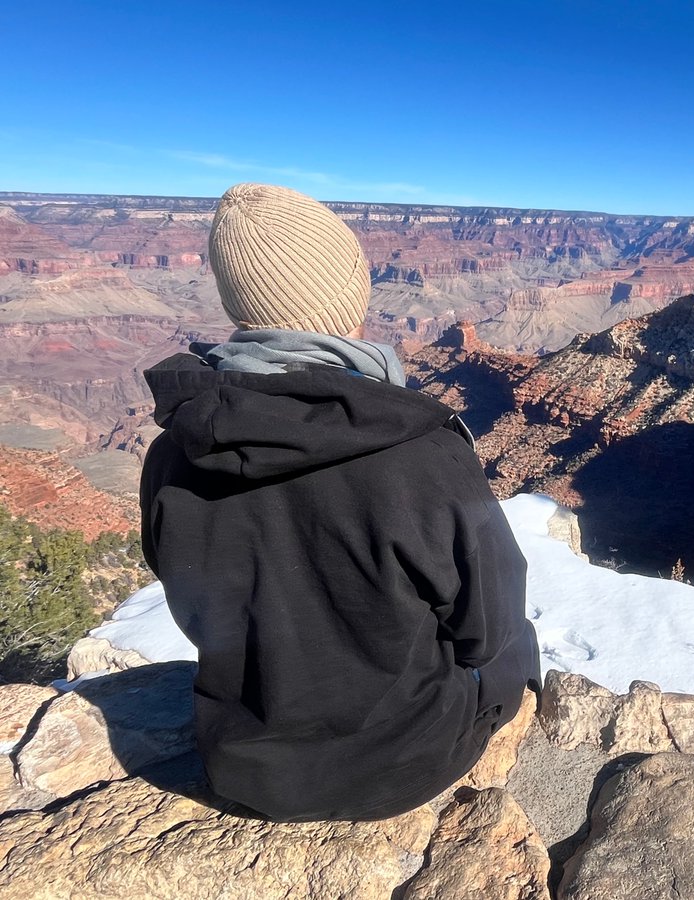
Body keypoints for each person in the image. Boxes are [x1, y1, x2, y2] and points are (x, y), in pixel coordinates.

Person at [139, 182, 539, 821]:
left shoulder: (173, 452)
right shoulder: (423, 454)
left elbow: (191, 603)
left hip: (247, 766)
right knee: (518, 641)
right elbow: (484, 627)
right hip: (411, 761)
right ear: (352, 293)